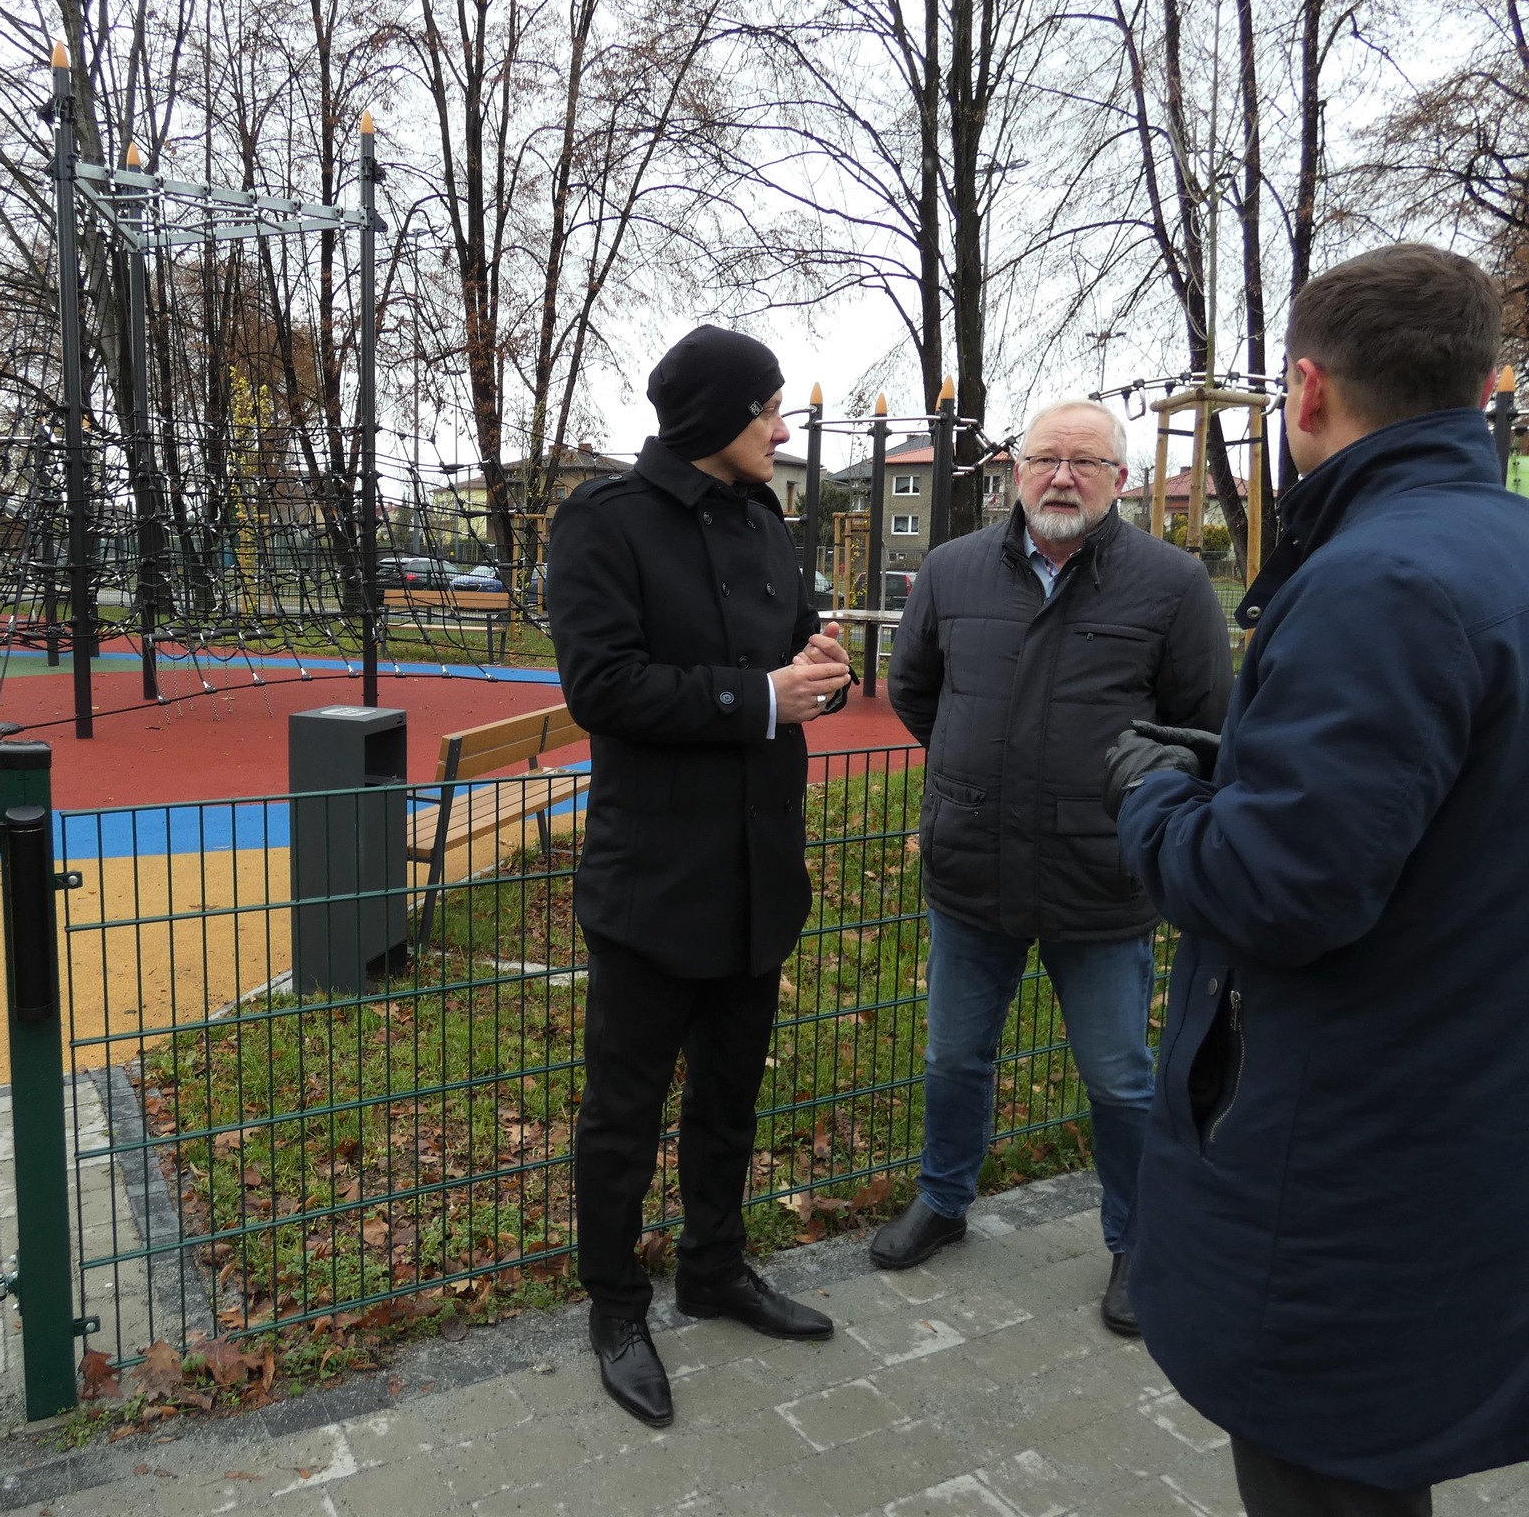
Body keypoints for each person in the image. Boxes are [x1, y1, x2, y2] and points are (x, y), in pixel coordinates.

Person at [1106, 243, 1529, 1515]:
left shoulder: (1377, 579)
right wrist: (1243, 770)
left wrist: (1151, 795)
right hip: (1472, 1105)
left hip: (1351, 1160)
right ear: (1483, 387)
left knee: (1325, 1478)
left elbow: (1277, 893)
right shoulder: (1499, 549)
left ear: (1303, 389)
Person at [548, 325, 855, 1429]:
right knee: (623, 1116)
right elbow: (603, 686)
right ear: (716, 415)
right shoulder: (605, 522)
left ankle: (713, 1269)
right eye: (766, 408)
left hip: (759, 871)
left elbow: (787, 651)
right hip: (653, 881)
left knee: (730, 1098)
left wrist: (819, 667)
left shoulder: (762, 518)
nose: (781, 427)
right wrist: (760, 697)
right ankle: (615, 1308)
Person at [873, 398, 1232, 1335]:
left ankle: (1137, 1240)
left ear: (1121, 480)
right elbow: (915, 689)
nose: (1062, 477)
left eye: (1086, 462)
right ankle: (943, 1199)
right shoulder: (951, 570)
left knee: (1119, 1078)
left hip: (1101, 873)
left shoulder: (1171, 583)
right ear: (1016, 470)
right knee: (955, 1055)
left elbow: (1201, 726)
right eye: (1045, 459)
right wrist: (973, 773)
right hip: (973, 865)